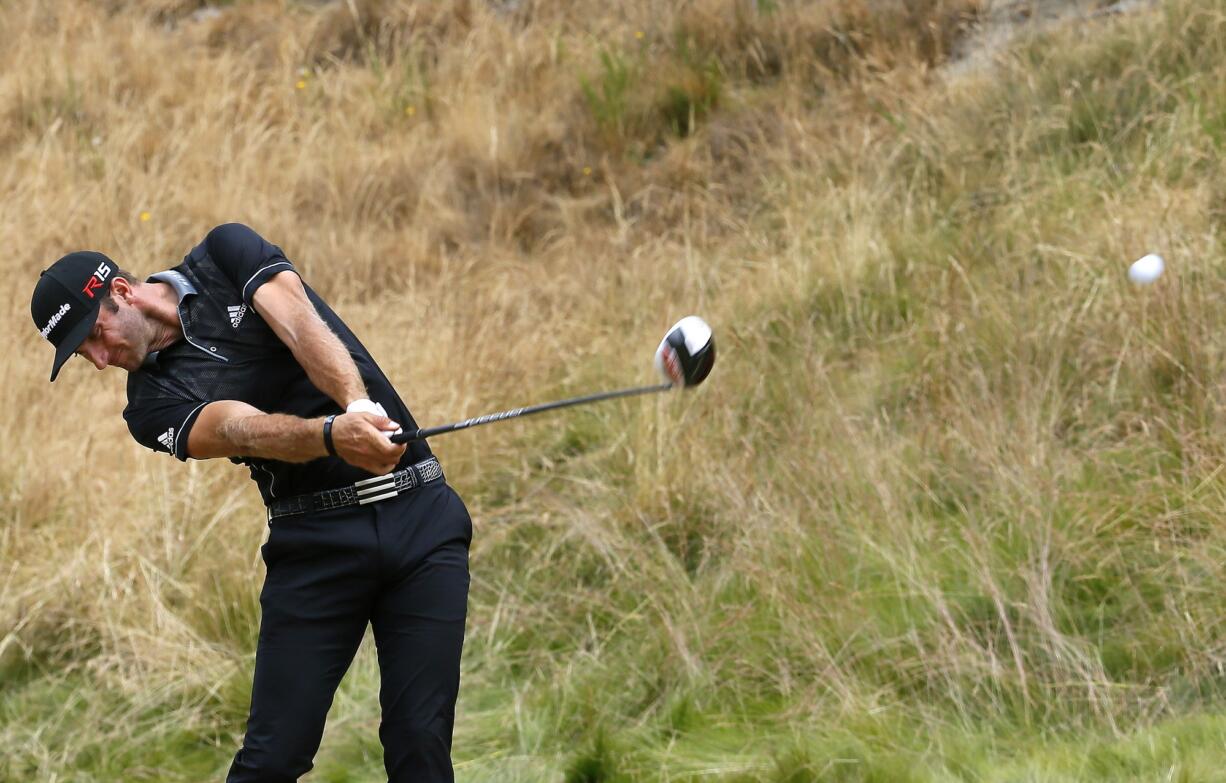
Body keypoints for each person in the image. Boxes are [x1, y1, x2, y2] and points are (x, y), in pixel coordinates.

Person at [29, 223, 472, 782]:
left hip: (421, 518)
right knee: (271, 759)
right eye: (82, 354)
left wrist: (357, 406)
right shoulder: (147, 409)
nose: (98, 360)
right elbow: (241, 430)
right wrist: (333, 435)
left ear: (120, 292)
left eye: (94, 336)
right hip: (314, 546)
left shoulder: (225, 255)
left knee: (419, 741)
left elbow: (298, 323)